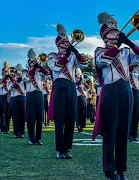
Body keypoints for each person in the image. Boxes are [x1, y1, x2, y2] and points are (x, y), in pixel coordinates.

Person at [92, 12, 139, 179]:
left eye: (117, 30)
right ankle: (109, 170)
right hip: (111, 92)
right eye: (112, 31)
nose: (116, 32)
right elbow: (105, 60)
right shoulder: (99, 51)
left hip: (127, 91)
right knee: (110, 132)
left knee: (124, 132)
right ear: (104, 36)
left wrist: (129, 42)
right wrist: (118, 46)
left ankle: (121, 169)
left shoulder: (124, 51)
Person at [48, 23, 87, 159]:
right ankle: (59, 149)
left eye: (67, 43)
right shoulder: (52, 56)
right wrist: (67, 56)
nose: (65, 45)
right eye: (63, 44)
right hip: (59, 87)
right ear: (58, 45)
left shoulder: (72, 56)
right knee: (60, 120)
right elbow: (56, 68)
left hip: (71, 87)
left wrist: (75, 52)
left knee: (71, 119)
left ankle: (67, 149)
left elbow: (84, 64)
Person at [25, 48, 50, 145]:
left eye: (35, 62)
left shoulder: (40, 73)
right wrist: (34, 69)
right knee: (31, 118)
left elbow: (48, 75)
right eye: (32, 63)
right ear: (29, 63)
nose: (34, 64)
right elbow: (27, 78)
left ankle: (38, 138)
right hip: (31, 95)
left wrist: (41, 68)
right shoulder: (25, 71)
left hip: (40, 94)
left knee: (40, 118)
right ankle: (31, 139)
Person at [8, 64, 26, 138]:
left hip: (22, 98)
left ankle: (21, 132)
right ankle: (16, 132)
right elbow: (9, 88)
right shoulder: (11, 80)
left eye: (19, 73)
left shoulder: (24, 80)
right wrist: (13, 82)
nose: (18, 74)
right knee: (15, 116)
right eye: (16, 73)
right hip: (14, 98)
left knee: (22, 116)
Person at [75, 68, 89, 132]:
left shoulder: (83, 82)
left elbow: (88, 87)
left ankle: (82, 126)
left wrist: (84, 84)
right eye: (76, 76)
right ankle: (78, 126)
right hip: (76, 98)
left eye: (78, 76)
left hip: (83, 98)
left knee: (83, 112)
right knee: (77, 113)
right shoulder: (73, 82)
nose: (77, 77)